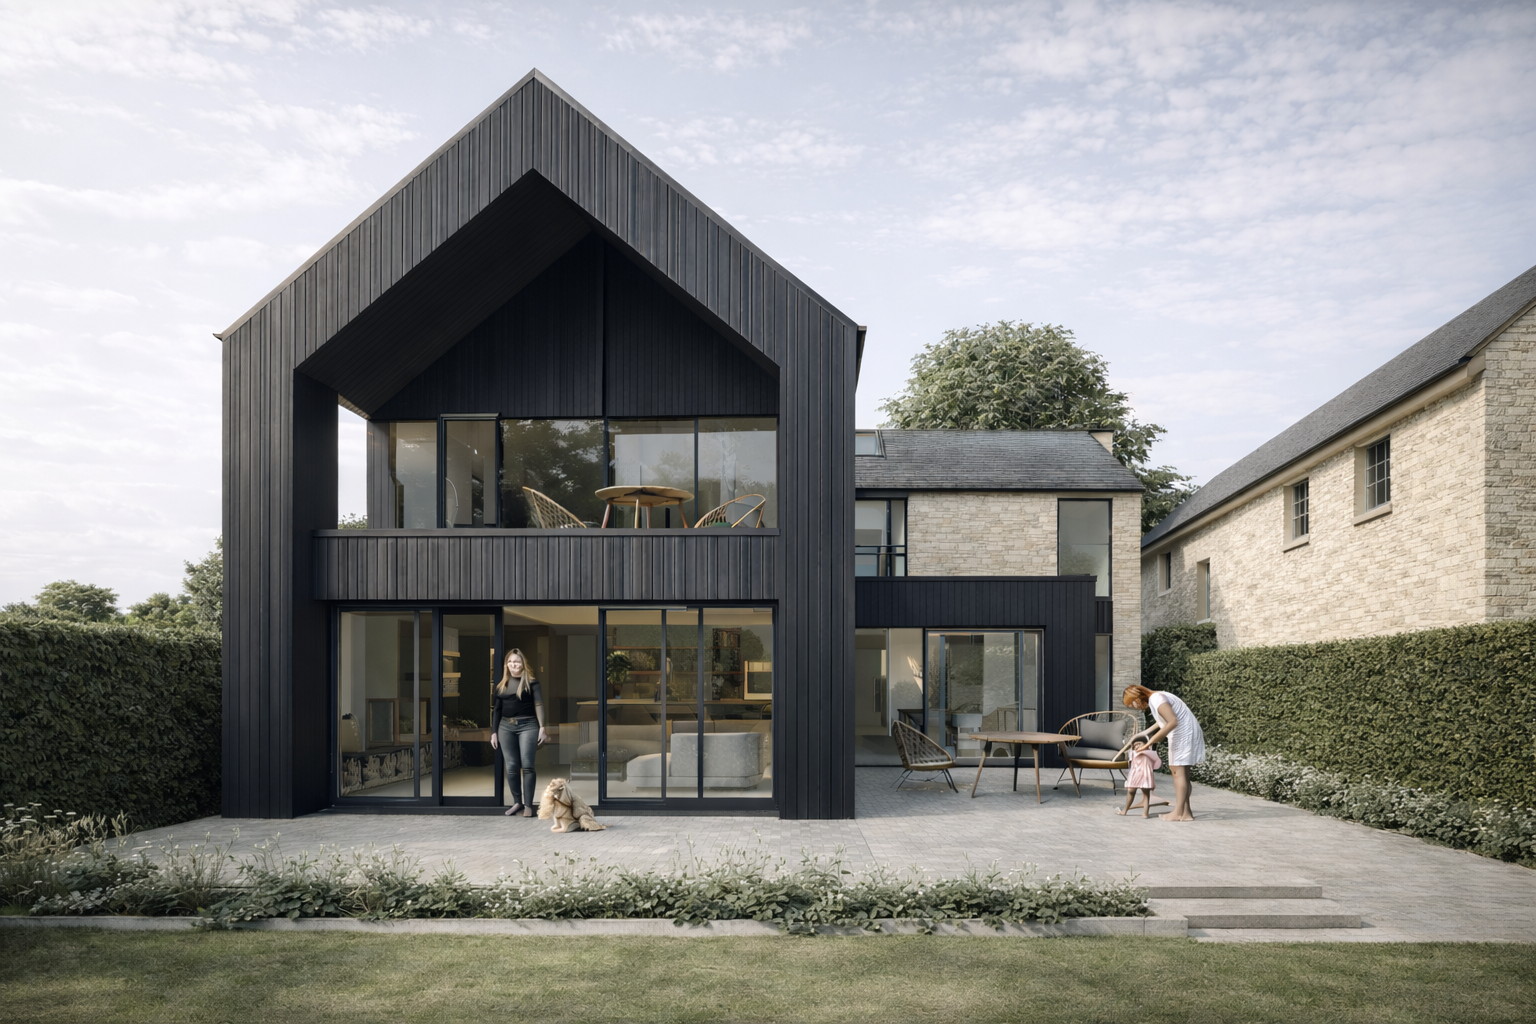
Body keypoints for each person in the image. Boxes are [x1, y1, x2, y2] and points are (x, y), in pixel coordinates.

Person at [1122, 684, 1205, 821]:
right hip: (1184, 733)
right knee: (1182, 773)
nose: (1135, 706)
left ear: (1137, 697)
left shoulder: (1156, 698)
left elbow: (1172, 721)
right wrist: (1144, 733)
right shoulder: (1157, 697)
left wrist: (1150, 742)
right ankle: (1186, 813)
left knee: (1178, 772)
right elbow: (1164, 720)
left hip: (1183, 735)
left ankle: (1178, 812)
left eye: (1132, 703)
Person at [489, 649, 547, 817]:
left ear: (523, 664)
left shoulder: (532, 683)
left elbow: (539, 705)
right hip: (506, 727)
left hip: (528, 725)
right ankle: (517, 802)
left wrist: (542, 727)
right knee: (512, 767)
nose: (514, 665)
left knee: (528, 765)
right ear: (506, 664)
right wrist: (494, 732)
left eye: (517, 662)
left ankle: (529, 805)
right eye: (511, 662)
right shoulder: (501, 685)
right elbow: (497, 711)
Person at [1116, 740, 1166, 818]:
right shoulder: (1133, 753)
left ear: (1147, 745)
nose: (1137, 746)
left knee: (1146, 794)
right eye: (1135, 745)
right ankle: (1125, 810)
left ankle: (1145, 813)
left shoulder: (1149, 752)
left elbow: (1152, 743)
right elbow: (1130, 765)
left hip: (1145, 775)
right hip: (1134, 775)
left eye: (1139, 744)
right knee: (1131, 791)